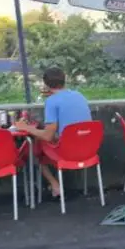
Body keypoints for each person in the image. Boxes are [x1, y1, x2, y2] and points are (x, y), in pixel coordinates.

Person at [14, 67, 92, 198]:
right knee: (47, 145)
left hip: (67, 152)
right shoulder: (79, 95)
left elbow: (47, 135)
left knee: (33, 150)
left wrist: (26, 128)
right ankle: (56, 184)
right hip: (88, 149)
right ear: (64, 80)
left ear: (45, 84)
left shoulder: (51, 102)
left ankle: (55, 184)